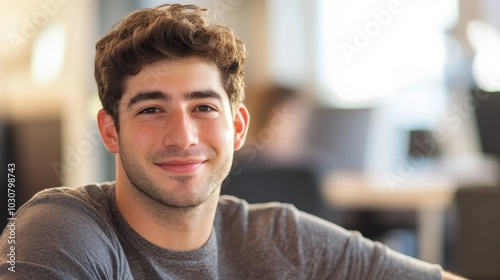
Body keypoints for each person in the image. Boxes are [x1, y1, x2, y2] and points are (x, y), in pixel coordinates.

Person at [0, 4, 465, 279]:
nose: (182, 137)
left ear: (238, 127)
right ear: (109, 131)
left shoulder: (279, 238)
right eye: (150, 109)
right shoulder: (60, 232)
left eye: (203, 107)